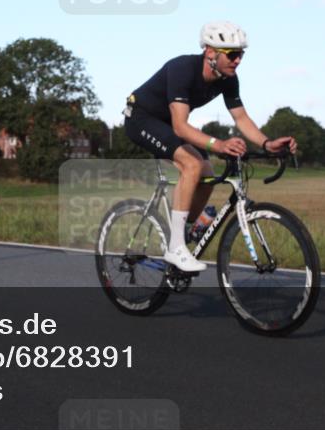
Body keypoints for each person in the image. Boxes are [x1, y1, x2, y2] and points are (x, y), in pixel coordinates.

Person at [123, 21, 298, 272]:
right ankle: (175, 248)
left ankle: (182, 232)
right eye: (232, 54)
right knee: (192, 164)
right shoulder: (182, 68)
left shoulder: (228, 79)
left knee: (206, 171)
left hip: (169, 123)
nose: (238, 61)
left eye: (241, 54)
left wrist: (267, 143)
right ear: (210, 52)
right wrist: (219, 144)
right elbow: (181, 127)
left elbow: (241, 119)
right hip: (142, 118)